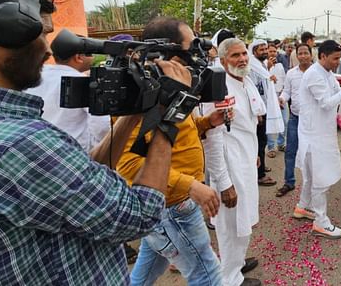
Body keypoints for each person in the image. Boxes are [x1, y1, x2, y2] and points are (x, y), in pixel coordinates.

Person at [0, 0, 181, 284]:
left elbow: (83, 178)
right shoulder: (21, 144)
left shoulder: (0, 131)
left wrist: (135, 114)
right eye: (40, 33)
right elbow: (137, 216)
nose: (47, 48)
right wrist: (169, 115)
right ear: (2, 28)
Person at [117, 17, 231, 286]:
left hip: (167, 207)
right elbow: (129, 164)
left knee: (145, 273)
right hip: (173, 207)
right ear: (168, 51)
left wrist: (206, 123)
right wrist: (190, 185)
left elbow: (175, 132)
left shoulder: (170, 83)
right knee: (207, 274)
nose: (198, 53)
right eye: (191, 46)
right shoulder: (142, 91)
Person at [205, 38, 265, 286]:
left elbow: (251, 123)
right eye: (235, 56)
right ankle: (229, 278)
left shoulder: (245, 79)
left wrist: (255, 154)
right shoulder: (218, 88)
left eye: (244, 53)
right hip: (229, 166)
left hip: (246, 161)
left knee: (244, 218)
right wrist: (224, 182)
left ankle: (237, 264)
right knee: (229, 226)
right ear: (222, 60)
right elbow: (212, 139)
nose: (242, 59)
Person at [294, 40, 341, 239]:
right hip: (315, 136)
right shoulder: (314, 74)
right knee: (320, 179)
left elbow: (333, 85)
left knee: (312, 176)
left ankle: (302, 207)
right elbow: (326, 103)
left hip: (321, 133)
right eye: (335, 59)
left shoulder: (326, 73)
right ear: (322, 56)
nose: (338, 62)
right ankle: (320, 222)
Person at [26, 32, 110, 152]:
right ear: (78, 57)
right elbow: (102, 126)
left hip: (40, 150)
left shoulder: (36, 76)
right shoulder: (83, 82)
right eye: (90, 54)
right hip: (75, 153)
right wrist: (96, 149)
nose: (93, 58)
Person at [276, 43, 313, 197]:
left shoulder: (317, 72)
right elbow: (287, 91)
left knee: (312, 153)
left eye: (306, 53)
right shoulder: (291, 73)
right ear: (296, 56)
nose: (303, 56)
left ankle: (314, 183)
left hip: (312, 121)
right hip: (295, 119)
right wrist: (282, 99)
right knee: (290, 151)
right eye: (300, 53)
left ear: (311, 55)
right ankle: (289, 182)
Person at [247, 39, 283, 186]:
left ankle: (260, 167)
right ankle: (259, 174)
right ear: (254, 51)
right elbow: (253, 88)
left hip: (263, 108)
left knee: (262, 141)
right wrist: (258, 112)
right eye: (261, 49)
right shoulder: (252, 66)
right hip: (257, 111)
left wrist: (268, 72)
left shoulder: (261, 65)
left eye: (265, 49)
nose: (265, 52)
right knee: (259, 142)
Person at [266, 42, 287, 155]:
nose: (273, 53)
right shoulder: (263, 65)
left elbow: (283, 82)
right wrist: (268, 69)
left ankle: (281, 143)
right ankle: (271, 147)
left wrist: (282, 97)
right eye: (270, 51)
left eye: (274, 51)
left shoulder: (280, 66)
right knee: (270, 122)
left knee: (284, 121)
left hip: (280, 97)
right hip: (269, 98)